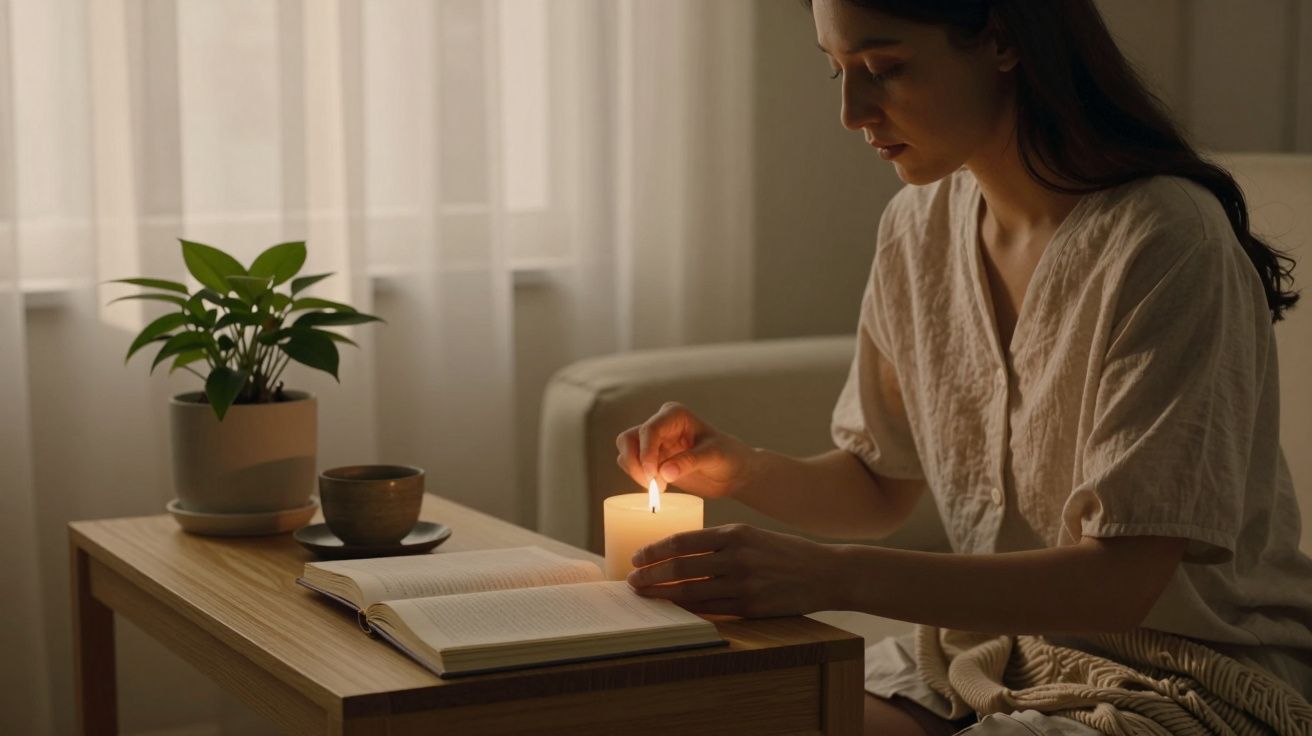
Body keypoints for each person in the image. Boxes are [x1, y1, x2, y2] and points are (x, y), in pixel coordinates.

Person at [614, 1, 1312, 734]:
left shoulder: (1167, 245)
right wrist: (740, 469)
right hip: (993, 657)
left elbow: (1120, 580)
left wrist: (826, 574)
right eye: (836, 71)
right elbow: (878, 484)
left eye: (883, 67)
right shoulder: (918, 229)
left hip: (1186, 679)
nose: (852, 111)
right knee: (739, 713)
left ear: (1003, 41)